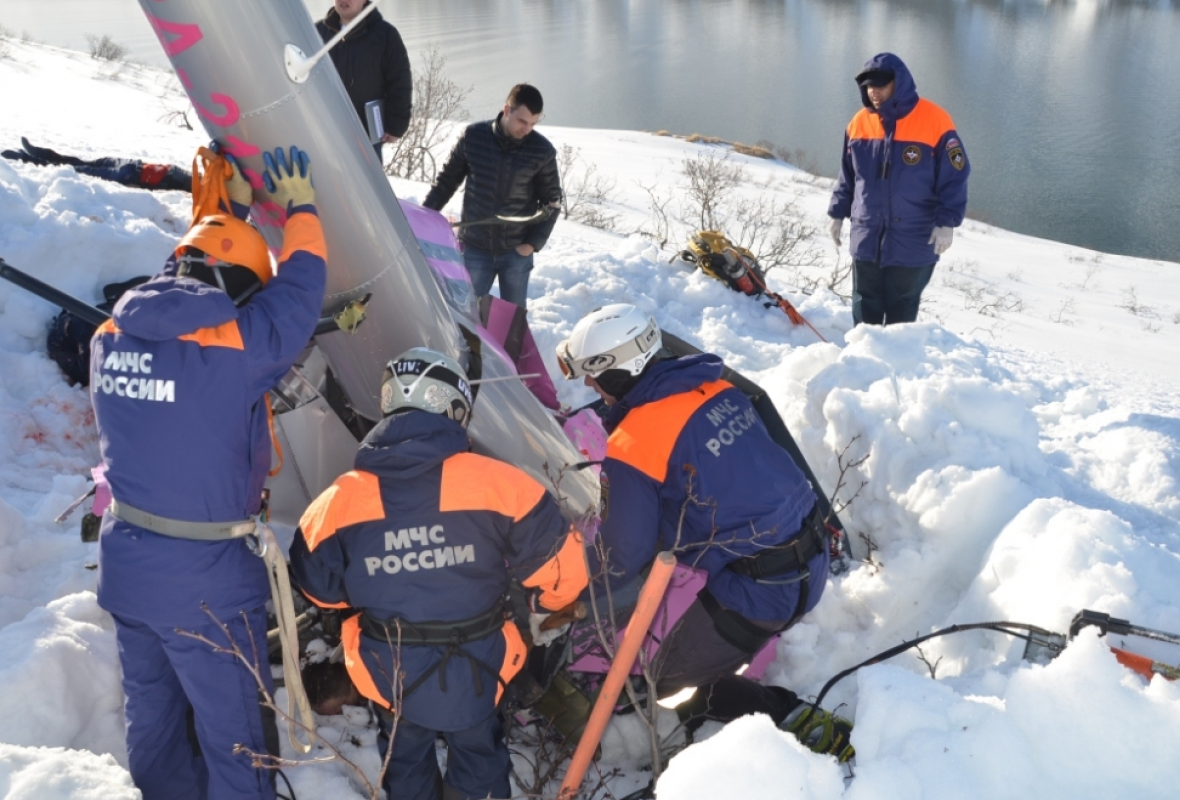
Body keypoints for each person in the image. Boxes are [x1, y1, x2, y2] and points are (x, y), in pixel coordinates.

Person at [90, 146, 326, 800]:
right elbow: (301, 289)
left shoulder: (109, 335)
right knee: (238, 737)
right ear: (241, 290)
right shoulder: (238, 350)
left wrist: (228, 216)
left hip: (129, 566)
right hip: (207, 583)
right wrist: (301, 206)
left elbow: (194, 284)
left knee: (155, 718)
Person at [289, 347, 588, 800]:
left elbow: (320, 590)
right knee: (480, 756)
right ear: (454, 409)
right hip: (480, 664)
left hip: (389, 669)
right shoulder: (503, 484)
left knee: (404, 760)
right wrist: (541, 608)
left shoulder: (337, 500)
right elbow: (566, 573)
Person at [556, 304, 829, 729]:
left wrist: (564, 590)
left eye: (592, 372)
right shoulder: (718, 388)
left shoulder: (636, 442)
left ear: (618, 369)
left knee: (653, 676)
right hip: (812, 562)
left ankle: (782, 712)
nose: (589, 383)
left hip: (756, 598)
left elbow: (621, 557)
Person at [828, 52, 970, 326]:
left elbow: (956, 174)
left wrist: (947, 222)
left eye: (880, 85)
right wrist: (837, 213)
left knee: (902, 306)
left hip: (915, 237)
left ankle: (895, 363)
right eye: (868, 86)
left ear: (899, 83)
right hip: (867, 232)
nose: (874, 92)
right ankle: (862, 358)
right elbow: (848, 174)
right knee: (864, 300)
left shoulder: (935, 120)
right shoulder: (859, 122)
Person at [423, 83, 562, 308]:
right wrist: (423, 216)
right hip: (475, 248)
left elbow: (553, 203)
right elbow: (446, 182)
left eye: (533, 124)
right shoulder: (474, 137)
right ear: (506, 110)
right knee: (464, 314)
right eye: (522, 121)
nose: (527, 130)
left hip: (516, 252)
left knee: (513, 322)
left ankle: (509, 346)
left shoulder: (542, 151)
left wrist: (531, 244)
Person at [316, 0, 413, 161]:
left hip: (366, 133)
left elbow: (399, 82)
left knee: (366, 185)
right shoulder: (317, 32)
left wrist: (396, 126)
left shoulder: (385, 34)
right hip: (325, 130)